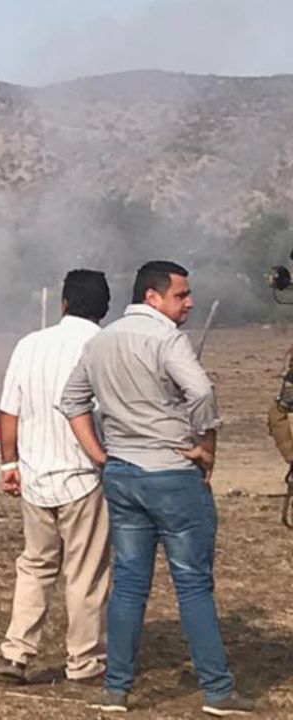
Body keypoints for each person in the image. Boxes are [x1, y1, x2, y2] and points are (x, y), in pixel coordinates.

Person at [60, 261, 253, 716]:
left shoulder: (101, 340)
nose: (188, 303)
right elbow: (201, 392)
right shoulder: (167, 339)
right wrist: (205, 445)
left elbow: (71, 400)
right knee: (193, 585)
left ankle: (116, 690)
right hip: (171, 474)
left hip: (123, 475)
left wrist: (100, 454)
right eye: (181, 295)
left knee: (128, 585)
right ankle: (217, 690)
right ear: (153, 296)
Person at [0, 269, 112, 686]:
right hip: (86, 476)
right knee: (86, 572)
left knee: (35, 565)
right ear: (105, 309)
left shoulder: (30, 345)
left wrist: (10, 465)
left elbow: (10, 410)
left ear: (63, 304)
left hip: (36, 477)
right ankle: (84, 661)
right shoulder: (103, 346)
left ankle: (16, 652)